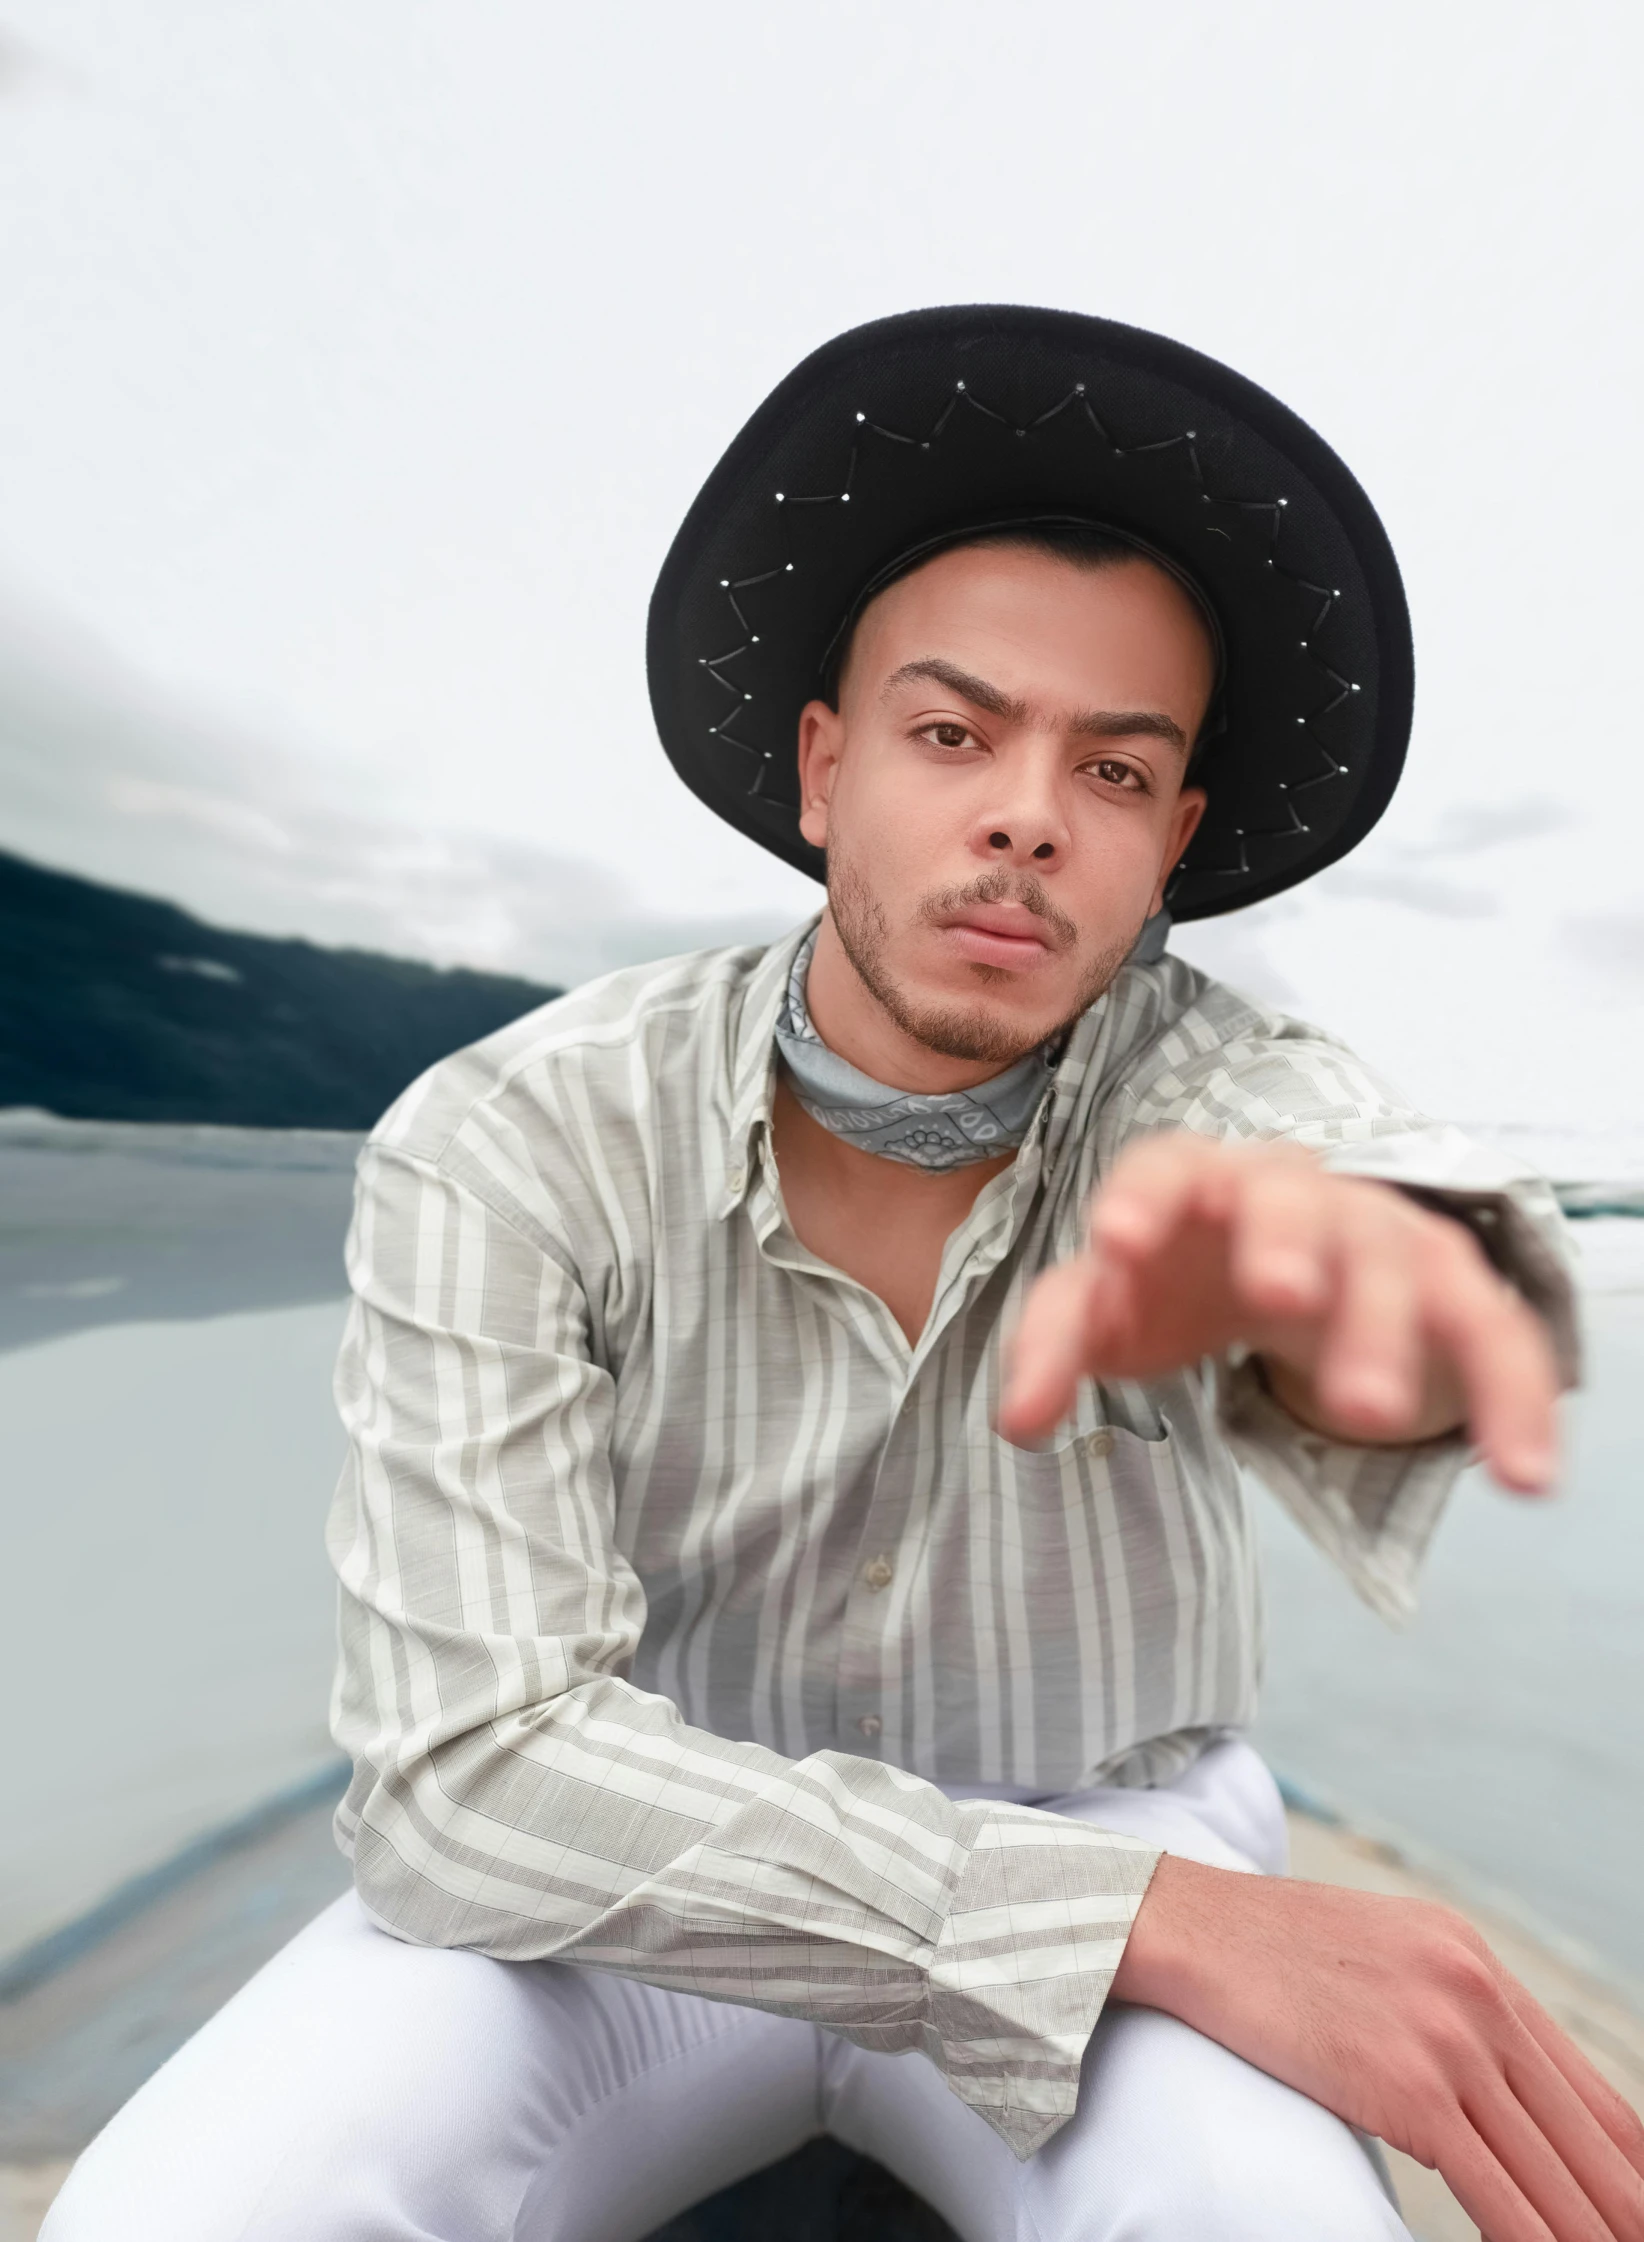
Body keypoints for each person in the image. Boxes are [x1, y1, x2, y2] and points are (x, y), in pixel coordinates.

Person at [48, 306, 1644, 2242]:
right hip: (639, 1877)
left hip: (1104, 1814)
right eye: (955, 732)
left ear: (1172, 850)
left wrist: (1372, 1276)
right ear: (823, 767)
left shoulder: (1196, 1099)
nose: (1028, 814)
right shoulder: (514, 1141)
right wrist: (1151, 1920)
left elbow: (1336, 1173)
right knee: (183, 2209)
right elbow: (471, 1777)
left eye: (1116, 773)